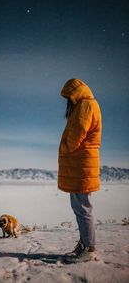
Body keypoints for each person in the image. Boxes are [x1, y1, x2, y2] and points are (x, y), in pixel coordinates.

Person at [58, 78, 102, 263]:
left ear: (74, 93)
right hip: (81, 165)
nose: (67, 100)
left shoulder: (85, 106)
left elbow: (77, 134)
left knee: (83, 208)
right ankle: (85, 244)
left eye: (68, 96)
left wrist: (64, 148)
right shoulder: (87, 105)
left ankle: (89, 249)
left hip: (81, 165)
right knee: (81, 207)